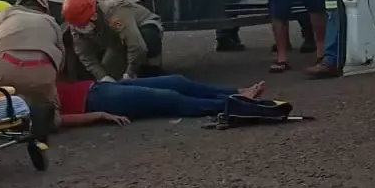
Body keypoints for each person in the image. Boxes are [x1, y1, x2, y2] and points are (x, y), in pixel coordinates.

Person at [52, 76, 267, 128]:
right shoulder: (22, 106)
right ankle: (231, 102)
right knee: (169, 99)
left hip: (97, 86)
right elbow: (55, 120)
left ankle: (237, 92)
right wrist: (99, 115)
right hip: (94, 101)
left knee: (176, 81)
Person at [0, 0, 64, 107]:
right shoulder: (51, 21)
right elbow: (61, 58)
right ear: (44, 8)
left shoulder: (4, 15)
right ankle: (54, 113)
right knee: (49, 92)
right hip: (42, 75)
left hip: (4, 71)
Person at [62, 0, 164, 81]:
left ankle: (152, 67)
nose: (80, 29)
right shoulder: (75, 24)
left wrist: (130, 73)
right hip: (116, 41)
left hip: (142, 27)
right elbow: (85, 55)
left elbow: (136, 45)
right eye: (77, 26)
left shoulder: (115, 12)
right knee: (109, 71)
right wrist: (103, 77)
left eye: (83, 24)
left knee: (149, 38)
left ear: (94, 15)